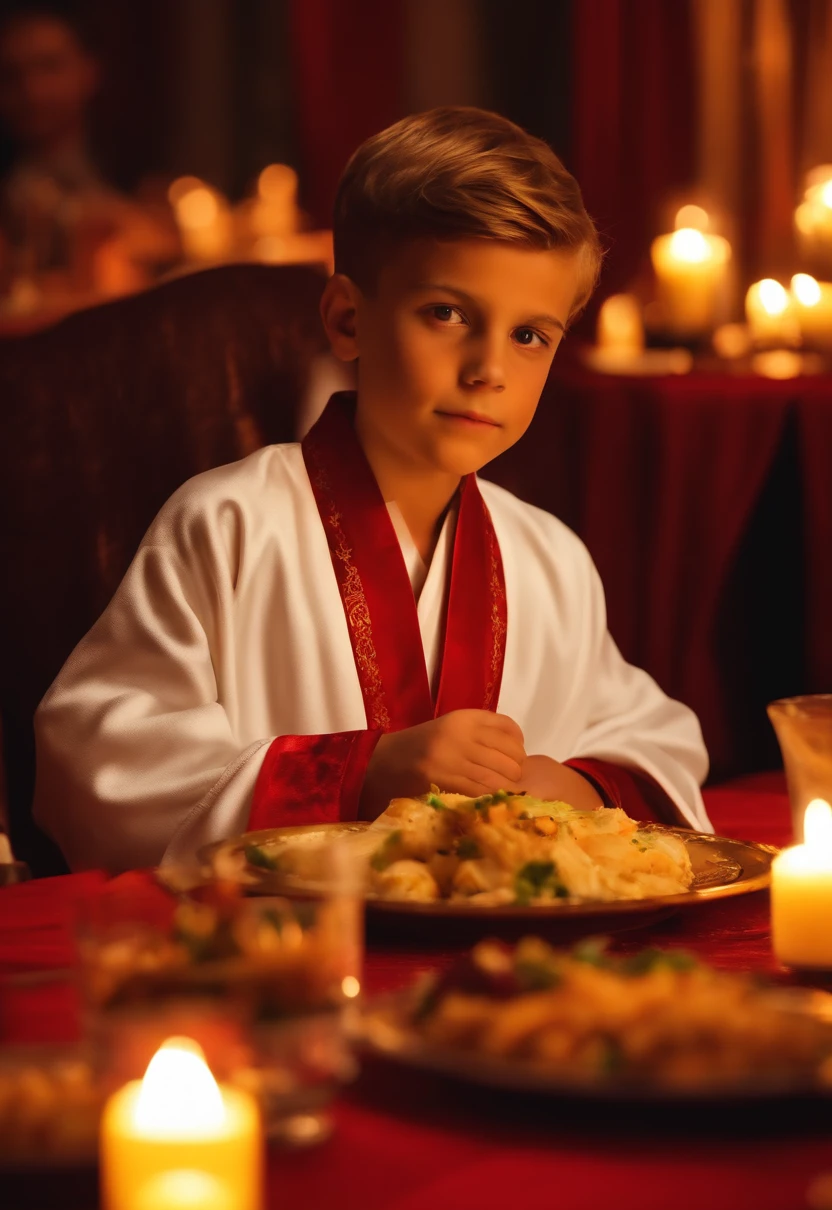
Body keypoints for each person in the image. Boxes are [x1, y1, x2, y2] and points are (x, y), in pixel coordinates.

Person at [33, 107, 710, 873]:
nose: (488, 367)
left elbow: (655, 741)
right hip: (288, 962)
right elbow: (94, 763)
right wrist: (359, 775)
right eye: (447, 314)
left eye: (530, 335)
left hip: (502, 965)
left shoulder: (549, 559)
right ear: (348, 318)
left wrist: (577, 787)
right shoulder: (227, 524)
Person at [0, 5, 176, 292]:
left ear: (88, 70)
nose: (32, 90)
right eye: (10, 75)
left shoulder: (139, 167)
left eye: (49, 67)